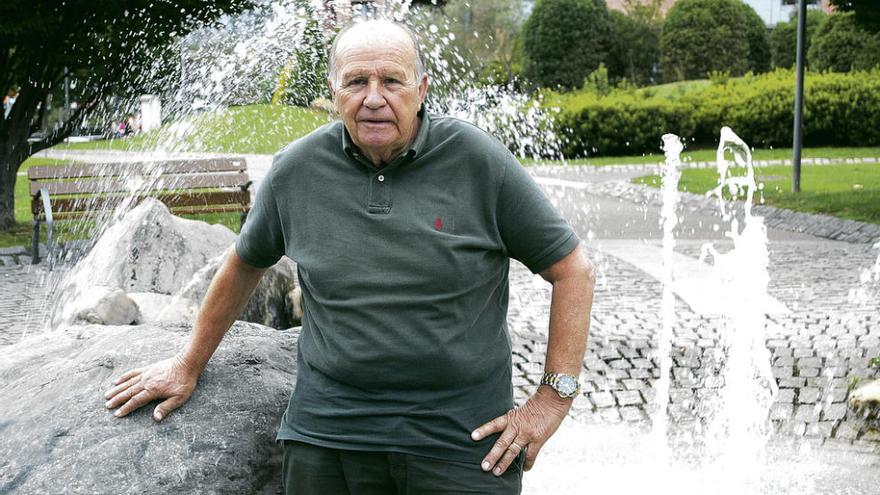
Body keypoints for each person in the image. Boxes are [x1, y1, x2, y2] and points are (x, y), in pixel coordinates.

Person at [104, 19, 595, 494]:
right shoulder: (296, 170)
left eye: (391, 81)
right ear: (334, 92)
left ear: (421, 89)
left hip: (461, 443)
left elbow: (572, 269)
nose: (374, 98)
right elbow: (243, 263)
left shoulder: (477, 160)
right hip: (329, 438)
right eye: (356, 81)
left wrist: (551, 400)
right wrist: (188, 364)